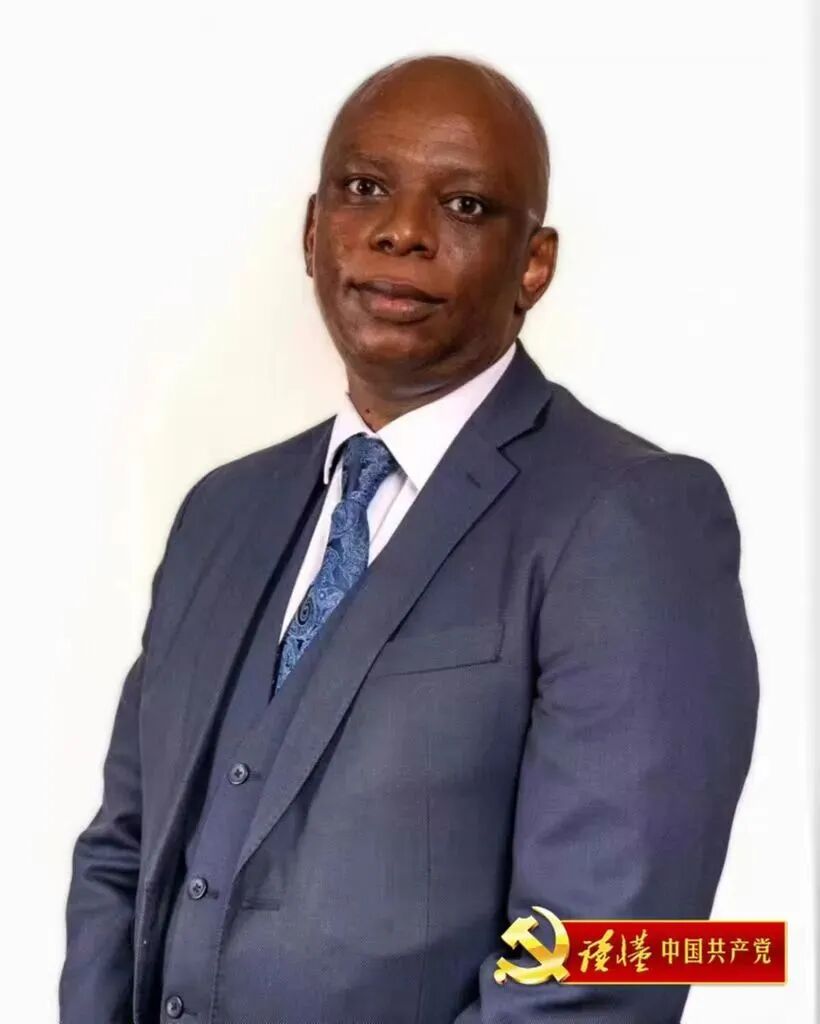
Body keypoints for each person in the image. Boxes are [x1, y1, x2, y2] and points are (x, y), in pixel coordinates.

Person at [59, 54, 759, 1024]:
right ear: (313, 231)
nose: (401, 231)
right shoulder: (221, 512)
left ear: (534, 264)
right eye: (363, 189)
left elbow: (608, 958)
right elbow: (123, 851)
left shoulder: (632, 515)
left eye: (465, 206)